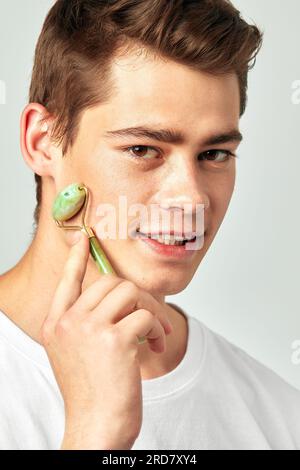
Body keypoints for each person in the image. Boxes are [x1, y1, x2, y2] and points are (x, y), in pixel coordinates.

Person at [0, 0, 299, 450]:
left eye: (214, 154)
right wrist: (94, 437)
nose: (192, 198)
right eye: (143, 149)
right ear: (43, 143)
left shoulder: (280, 417)